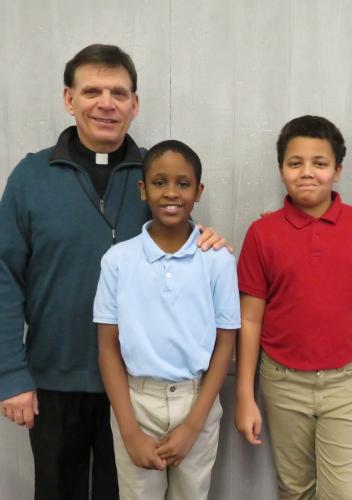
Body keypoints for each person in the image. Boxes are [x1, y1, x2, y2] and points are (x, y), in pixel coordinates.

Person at [0, 44, 226, 500]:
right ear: (68, 99)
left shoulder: (160, 174)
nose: (106, 103)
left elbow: (185, 243)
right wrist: (12, 374)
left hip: (140, 389)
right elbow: (2, 278)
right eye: (92, 90)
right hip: (56, 377)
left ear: (135, 104)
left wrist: (208, 239)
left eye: (119, 92)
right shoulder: (31, 176)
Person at [235, 115, 352, 499]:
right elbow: (249, 317)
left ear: (337, 171)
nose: (307, 172)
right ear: (281, 170)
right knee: (295, 490)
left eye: (320, 163)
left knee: (342, 492)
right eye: (295, 163)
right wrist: (245, 394)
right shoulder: (262, 233)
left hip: (345, 382)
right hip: (281, 382)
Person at [93, 140, 240, 500]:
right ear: (143, 190)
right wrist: (129, 431)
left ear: (198, 191)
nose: (171, 193)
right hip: (136, 401)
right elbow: (108, 349)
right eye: (159, 182)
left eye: (183, 184)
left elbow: (225, 344)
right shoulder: (118, 260)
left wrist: (193, 425)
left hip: (197, 400)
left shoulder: (217, 261)